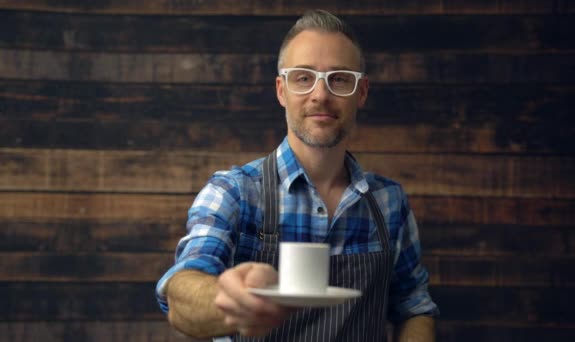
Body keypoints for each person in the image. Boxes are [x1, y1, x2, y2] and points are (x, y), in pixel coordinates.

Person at [156, 9, 439, 341]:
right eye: (303, 77)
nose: (321, 94)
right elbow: (181, 296)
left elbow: (414, 308)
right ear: (281, 90)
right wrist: (228, 299)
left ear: (361, 93)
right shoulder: (234, 193)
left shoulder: (389, 202)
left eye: (339, 78)